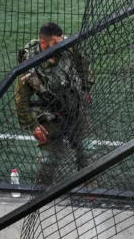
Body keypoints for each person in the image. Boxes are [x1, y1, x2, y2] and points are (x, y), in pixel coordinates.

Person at [14, 22, 95, 186]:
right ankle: (42, 194)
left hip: (74, 109)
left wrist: (86, 88)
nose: (61, 46)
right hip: (49, 114)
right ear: (43, 43)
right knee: (47, 161)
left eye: (61, 41)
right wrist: (33, 125)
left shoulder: (69, 48)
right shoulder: (30, 62)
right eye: (55, 44)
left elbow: (83, 65)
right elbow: (21, 98)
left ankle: (91, 193)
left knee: (87, 151)